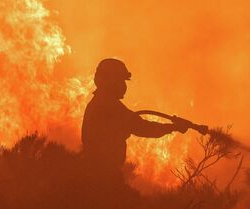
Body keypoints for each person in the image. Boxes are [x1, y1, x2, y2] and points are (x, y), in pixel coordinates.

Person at [81, 58, 189, 208]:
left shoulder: (100, 103)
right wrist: (172, 128)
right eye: (120, 80)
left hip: (96, 174)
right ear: (111, 81)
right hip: (104, 178)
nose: (123, 86)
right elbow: (143, 128)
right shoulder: (109, 107)